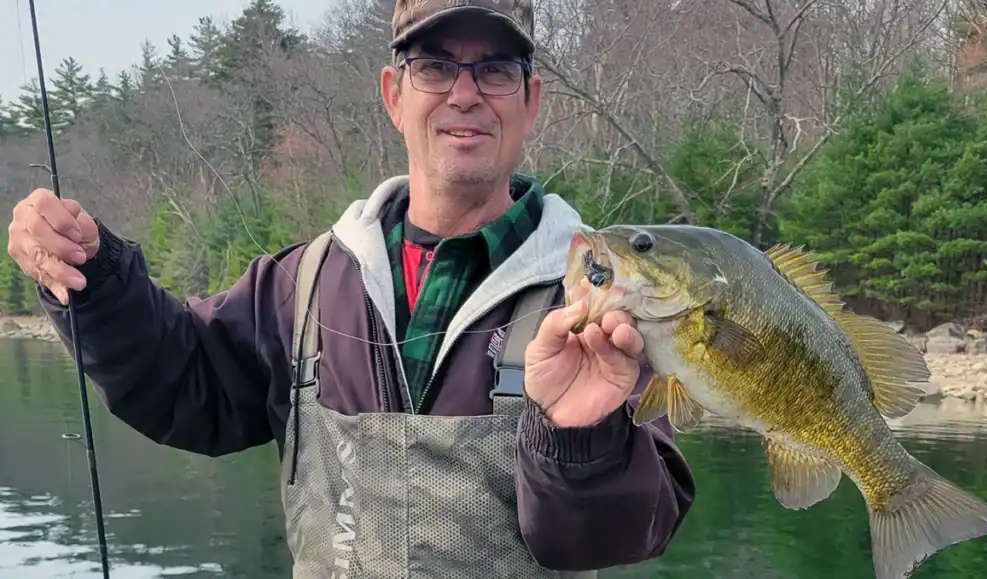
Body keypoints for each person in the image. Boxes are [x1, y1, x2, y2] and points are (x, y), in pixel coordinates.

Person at [6, 0, 696, 577]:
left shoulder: (603, 307)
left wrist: (580, 440)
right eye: (434, 66)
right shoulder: (300, 285)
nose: (465, 93)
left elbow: (619, 536)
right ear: (394, 96)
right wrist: (93, 277)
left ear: (530, 101)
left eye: (494, 69)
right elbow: (183, 385)